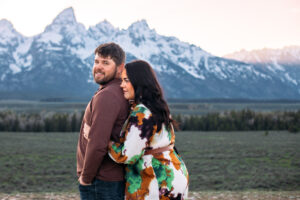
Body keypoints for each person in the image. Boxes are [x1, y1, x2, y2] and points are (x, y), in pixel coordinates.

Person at [108, 60, 189, 200]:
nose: (122, 85)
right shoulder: (158, 106)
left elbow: (128, 154)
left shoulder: (141, 112)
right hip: (174, 172)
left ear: (138, 81)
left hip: (156, 180)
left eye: (126, 80)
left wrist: (107, 143)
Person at [77, 42, 129, 200]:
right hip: (110, 180)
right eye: (96, 61)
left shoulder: (108, 96)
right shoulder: (120, 91)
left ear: (120, 68)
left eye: (105, 63)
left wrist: (86, 178)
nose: (98, 67)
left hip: (100, 181)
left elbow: (98, 143)